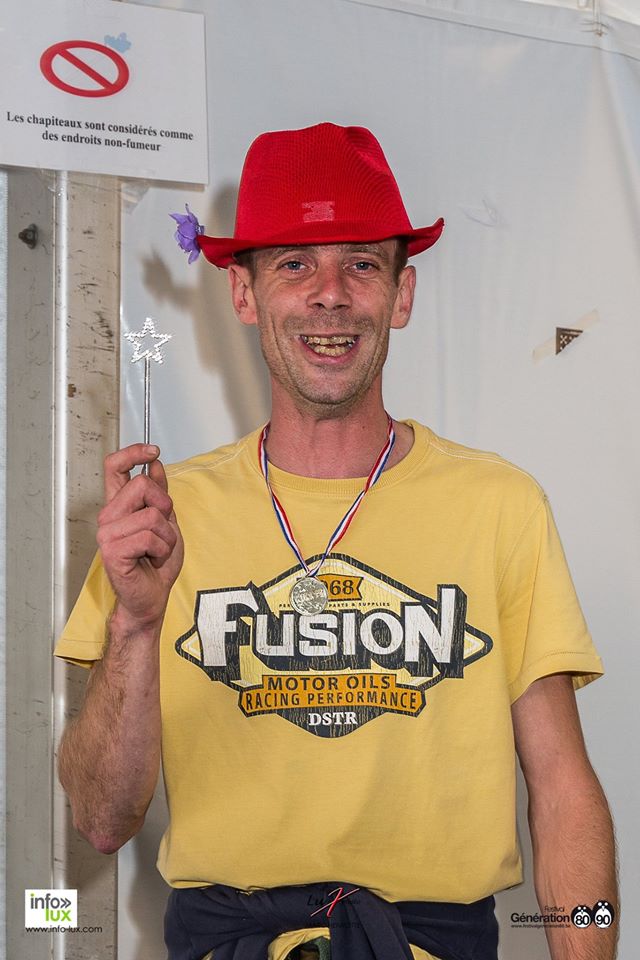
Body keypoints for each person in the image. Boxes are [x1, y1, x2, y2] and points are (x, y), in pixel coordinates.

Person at [55, 123, 617, 960]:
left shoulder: (499, 506)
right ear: (243, 294)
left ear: (402, 294)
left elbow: (565, 791)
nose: (330, 295)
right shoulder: (163, 518)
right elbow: (101, 820)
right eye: (293, 264)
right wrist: (137, 624)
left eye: (361, 264)